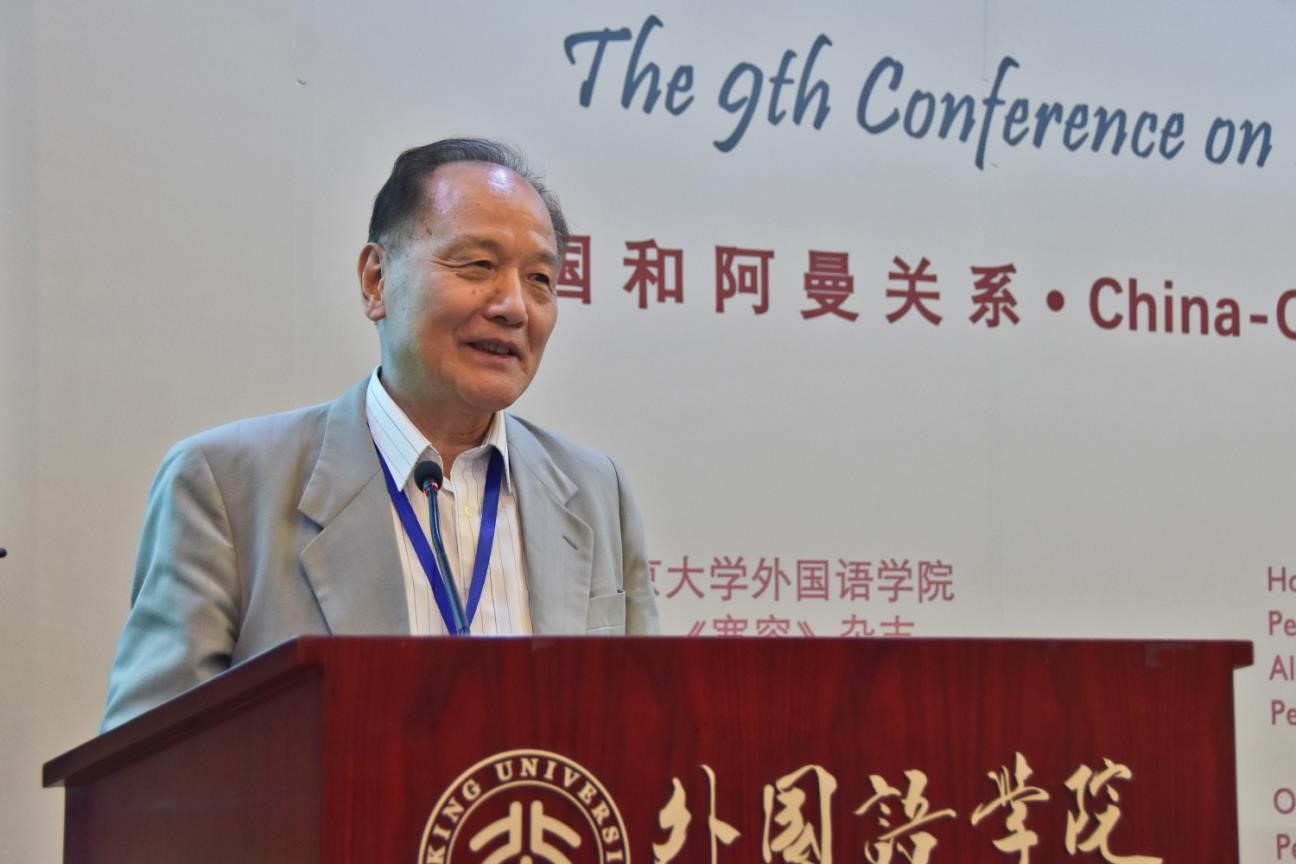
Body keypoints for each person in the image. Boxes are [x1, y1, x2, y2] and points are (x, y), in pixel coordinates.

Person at [101, 138, 658, 731]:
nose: (514, 306)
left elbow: (649, 727)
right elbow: (148, 761)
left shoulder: (596, 491)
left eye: (540, 278)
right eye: (478, 266)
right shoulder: (226, 486)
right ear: (376, 280)